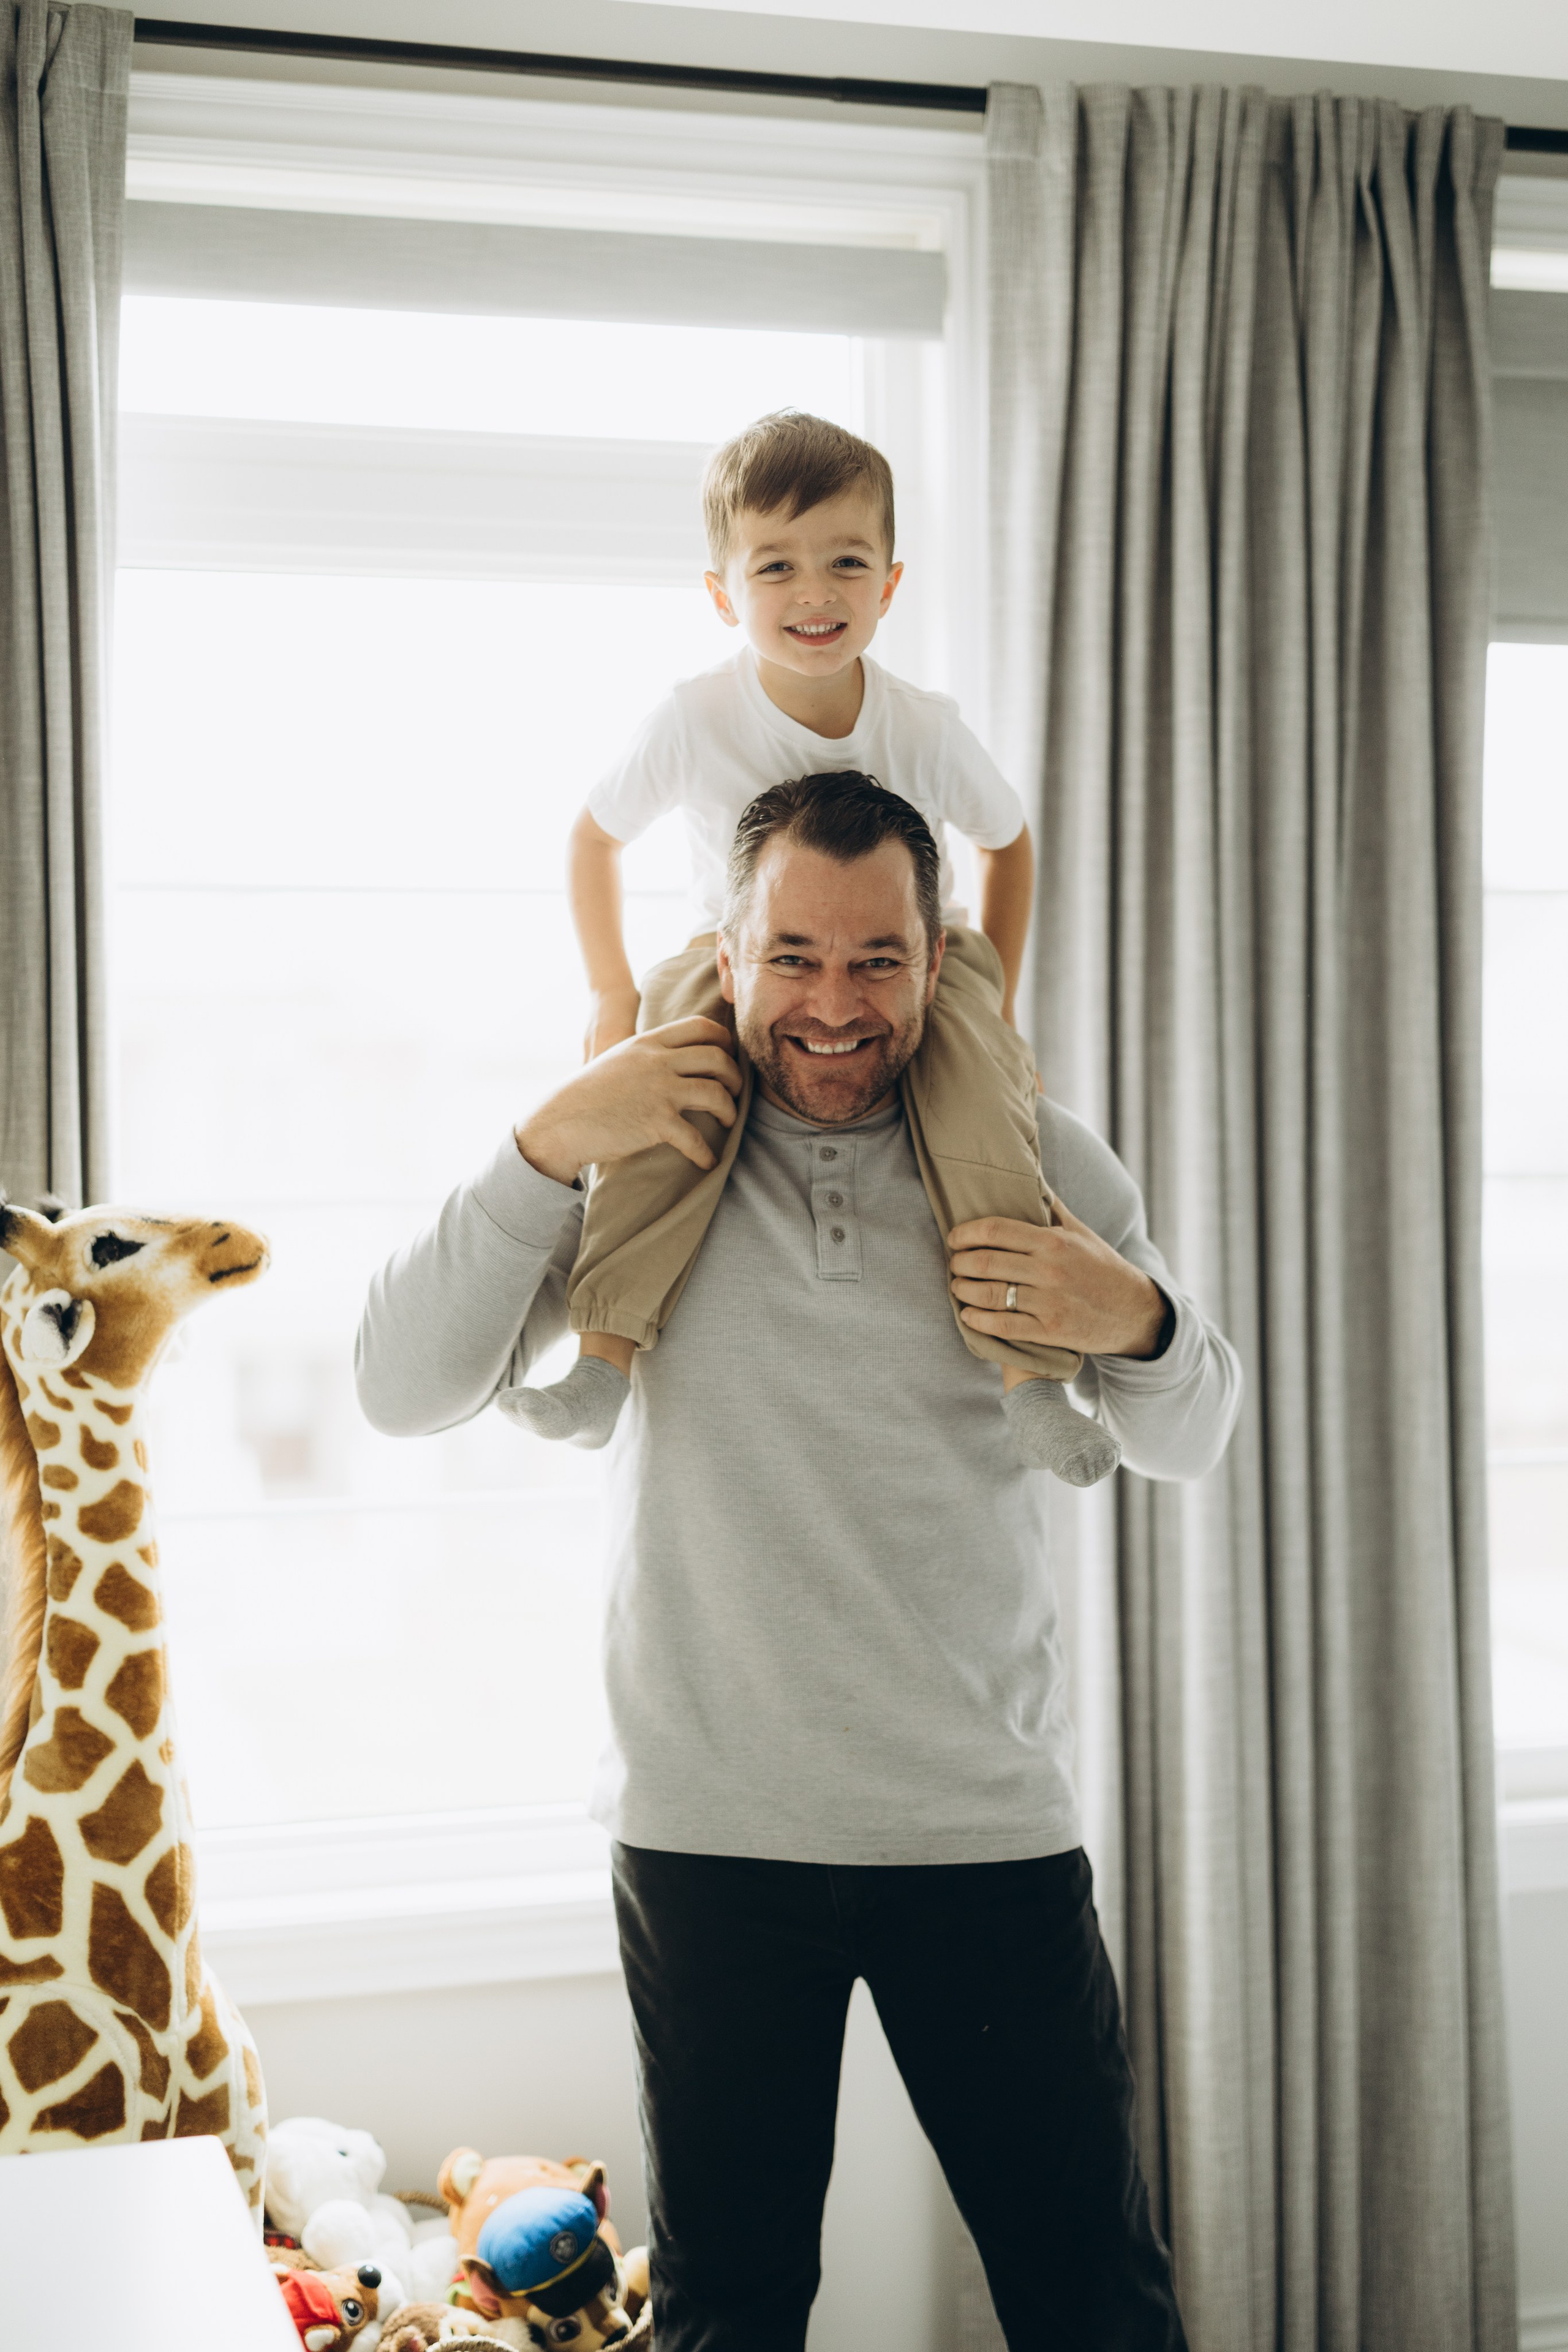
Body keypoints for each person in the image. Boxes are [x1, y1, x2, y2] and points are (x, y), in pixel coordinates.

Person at [356, 775, 1242, 2352]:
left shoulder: (1029, 1153)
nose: (834, 1007)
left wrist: (1138, 1322)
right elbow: (396, 1385)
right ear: (727, 948)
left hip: (980, 1833)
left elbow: (1193, 1433)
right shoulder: (643, 1154)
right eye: (794, 959)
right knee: (733, 2309)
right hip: (711, 1840)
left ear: (937, 952)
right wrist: (548, 1137)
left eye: (877, 961)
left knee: (1093, 2300)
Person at [506, 408, 1117, 1485]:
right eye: (775, 566)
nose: (814, 594)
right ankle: (603, 1359)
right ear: (722, 593)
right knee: (666, 1098)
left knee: (986, 1113)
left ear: (888, 583)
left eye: (845, 562)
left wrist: (997, 1002)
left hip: (914, 951)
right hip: (732, 954)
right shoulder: (696, 717)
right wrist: (611, 992)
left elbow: (1009, 845)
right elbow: (591, 838)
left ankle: (1031, 1380)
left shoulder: (921, 725)